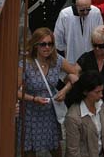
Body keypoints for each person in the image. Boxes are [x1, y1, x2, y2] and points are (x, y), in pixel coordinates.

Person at [17, 27, 78, 157]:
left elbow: (74, 73)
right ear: (35, 45)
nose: (47, 47)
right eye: (43, 44)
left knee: (55, 148)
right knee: (29, 150)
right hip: (30, 113)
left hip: (51, 111)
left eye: (50, 44)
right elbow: (14, 92)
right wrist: (33, 99)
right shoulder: (25, 64)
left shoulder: (57, 61)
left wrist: (65, 90)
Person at [65, 70, 104, 157]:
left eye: (102, 91)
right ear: (85, 92)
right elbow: (73, 151)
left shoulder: (100, 105)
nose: (101, 95)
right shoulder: (73, 117)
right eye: (97, 92)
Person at [54, 0, 103, 64]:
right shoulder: (65, 15)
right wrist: (62, 52)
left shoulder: (95, 12)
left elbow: (100, 33)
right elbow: (58, 36)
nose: (86, 12)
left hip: (91, 54)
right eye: (82, 10)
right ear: (76, 6)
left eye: (88, 9)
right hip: (71, 55)